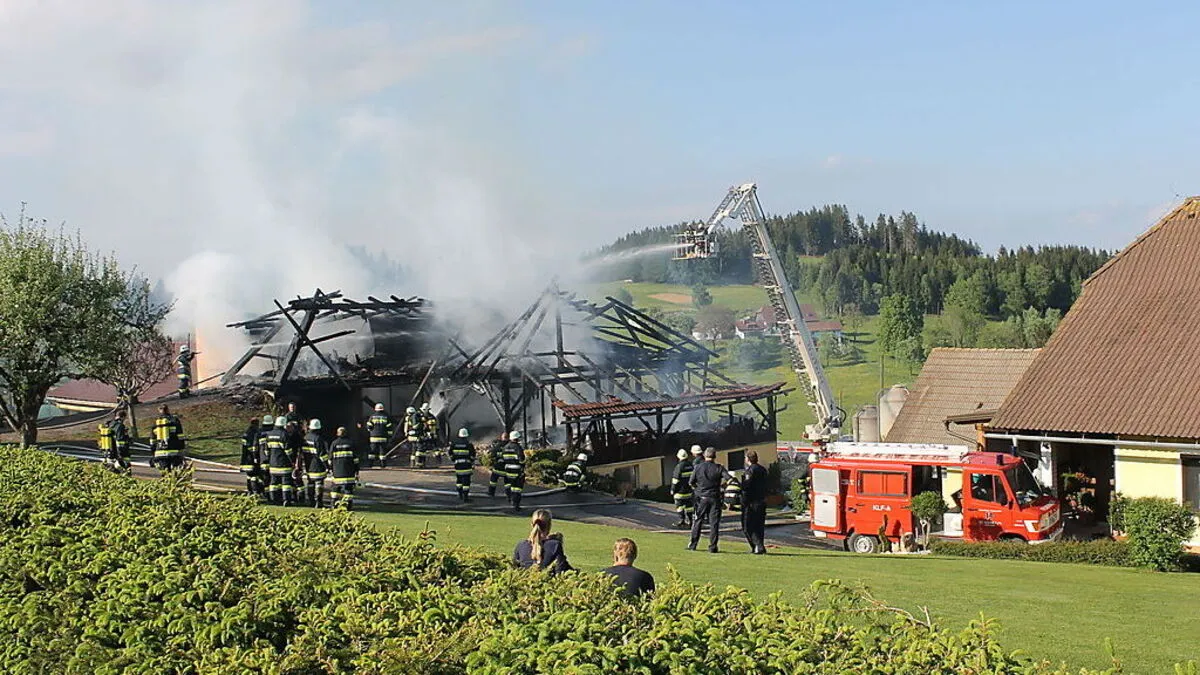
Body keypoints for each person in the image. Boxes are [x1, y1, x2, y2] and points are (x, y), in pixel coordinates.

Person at [688, 447, 729, 553]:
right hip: (715, 498)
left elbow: (691, 482)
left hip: (702, 498)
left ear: (705, 455)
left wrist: (698, 490)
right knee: (714, 524)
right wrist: (723, 486)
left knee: (698, 521)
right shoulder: (719, 468)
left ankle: (693, 545)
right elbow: (730, 478)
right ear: (715, 456)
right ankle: (712, 547)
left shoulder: (698, 467)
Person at [512, 509, 572, 574]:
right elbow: (560, 572)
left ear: (532, 524)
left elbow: (514, 570)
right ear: (549, 526)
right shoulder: (555, 545)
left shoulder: (521, 545)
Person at [741, 449, 769, 555]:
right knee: (759, 526)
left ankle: (758, 546)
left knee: (748, 526)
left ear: (748, 459)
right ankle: (758, 546)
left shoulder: (750, 471)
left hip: (752, 503)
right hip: (762, 500)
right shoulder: (763, 470)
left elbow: (746, 487)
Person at [264, 416, 295, 506]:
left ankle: (274, 500)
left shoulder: (269, 434)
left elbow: (266, 451)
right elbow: (288, 451)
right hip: (284, 464)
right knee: (286, 484)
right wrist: (292, 461)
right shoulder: (284, 435)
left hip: (273, 464)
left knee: (274, 483)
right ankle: (286, 500)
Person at [330, 426, 359, 510]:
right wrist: (357, 471)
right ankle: (348, 506)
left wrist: (331, 469)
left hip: (337, 472)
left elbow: (330, 459)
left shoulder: (334, 444)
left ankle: (334, 505)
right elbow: (356, 459)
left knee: (335, 489)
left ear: (337, 434)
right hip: (349, 472)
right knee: (348, 490)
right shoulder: (351, 443)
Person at [151, 404, 186, 472]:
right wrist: (182, 449)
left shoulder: (156, 423)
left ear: (159, 411)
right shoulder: (174, 421)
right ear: (167, 410)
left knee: (165, 474)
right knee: (176, 473)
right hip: (174, 452)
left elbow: (152, 440)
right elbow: (180, 436)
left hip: (160, 452)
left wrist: (153, 453)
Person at [303, 419, 329, 508]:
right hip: (317, 464)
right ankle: (319, 501)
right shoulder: (318, 439)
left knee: (310, 482)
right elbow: (322, 455)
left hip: (308, 464)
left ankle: (311, 501)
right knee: (319, 483)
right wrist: (327, 465)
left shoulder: (305, 437)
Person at [671, 447, 697, 528]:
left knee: (680, 507)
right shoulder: (691, 465)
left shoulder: (679, 467)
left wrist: (672, 490)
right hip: (689, 491)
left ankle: (681, 521)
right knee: (689, 507)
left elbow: (675, 480)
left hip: (680, 492)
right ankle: (691, 522)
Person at [449, 427, 476, 502]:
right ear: (466, 435)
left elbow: (450, 453)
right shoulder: (469, 444)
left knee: (459, 480)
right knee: (466, 481)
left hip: (458, 465)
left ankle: (460, 494)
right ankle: (465, 496)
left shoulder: (454, 444)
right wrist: (471, 461)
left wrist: (454, 459)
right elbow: (473, 455)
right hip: (466, 464)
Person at [240, 416, 265, 496]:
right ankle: (255, 491)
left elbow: (244, 447)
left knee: (249, 475)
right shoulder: (256, 433)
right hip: (253, 457)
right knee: (255, 475)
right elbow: (255, 446)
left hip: (246, 457)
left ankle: (249, 491)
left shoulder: (246, 433)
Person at [502, 430, 526, 512]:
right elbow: (521, 460)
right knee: (517, 489)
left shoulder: (505, 447)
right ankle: (516, 505)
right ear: (517, 438)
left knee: (512, 487)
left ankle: (510, 499)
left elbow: (503, 459)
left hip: (508, 471)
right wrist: (523, 466)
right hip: (517, 471)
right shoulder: (518, 447)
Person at [367, 403, 394, 469]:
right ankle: (382, 465)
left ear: (375, 409)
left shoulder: (372, 417)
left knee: (372, 451)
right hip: (383, 437)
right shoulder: (386, 417)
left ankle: (370, 464)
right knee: (382, 451)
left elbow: (369, 426)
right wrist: (389, 436)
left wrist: (370, 431)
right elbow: (389, 428)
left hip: (374, 437)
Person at [488, 432, 509, 497]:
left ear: (501, 438)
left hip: (498, 468)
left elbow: (492, 455)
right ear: (508, 438)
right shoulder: (511, 445)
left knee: (493, 480)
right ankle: (508, 494)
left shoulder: (498, 445)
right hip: (507, 468)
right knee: (508, 482)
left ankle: (491, 493)